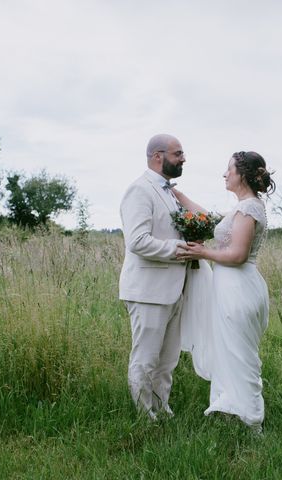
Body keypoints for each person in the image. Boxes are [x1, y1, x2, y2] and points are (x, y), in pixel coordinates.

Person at [175, 151, 275, 430]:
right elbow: (209, 219)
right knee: (233, 352)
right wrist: (179, 197)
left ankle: (253, 422)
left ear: (242, 174)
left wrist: (203, 251)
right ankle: (236, 411)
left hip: (238, 289)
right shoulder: (243, 207)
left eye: (228, 169)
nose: (224, 174)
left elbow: (238, 254)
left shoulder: (249, 208)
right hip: (234, 287)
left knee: (241, 354)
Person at [119, 133, 188, 421]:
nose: (183, 158)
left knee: (167, 360)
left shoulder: (169, 193)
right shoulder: (140, 190)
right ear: (158, 156)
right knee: (145, 359)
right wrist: (177, 249)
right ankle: (144, 416)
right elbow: (137, 240)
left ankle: (162, 407)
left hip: (173, 289)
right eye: (178, 153)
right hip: (147, 290)